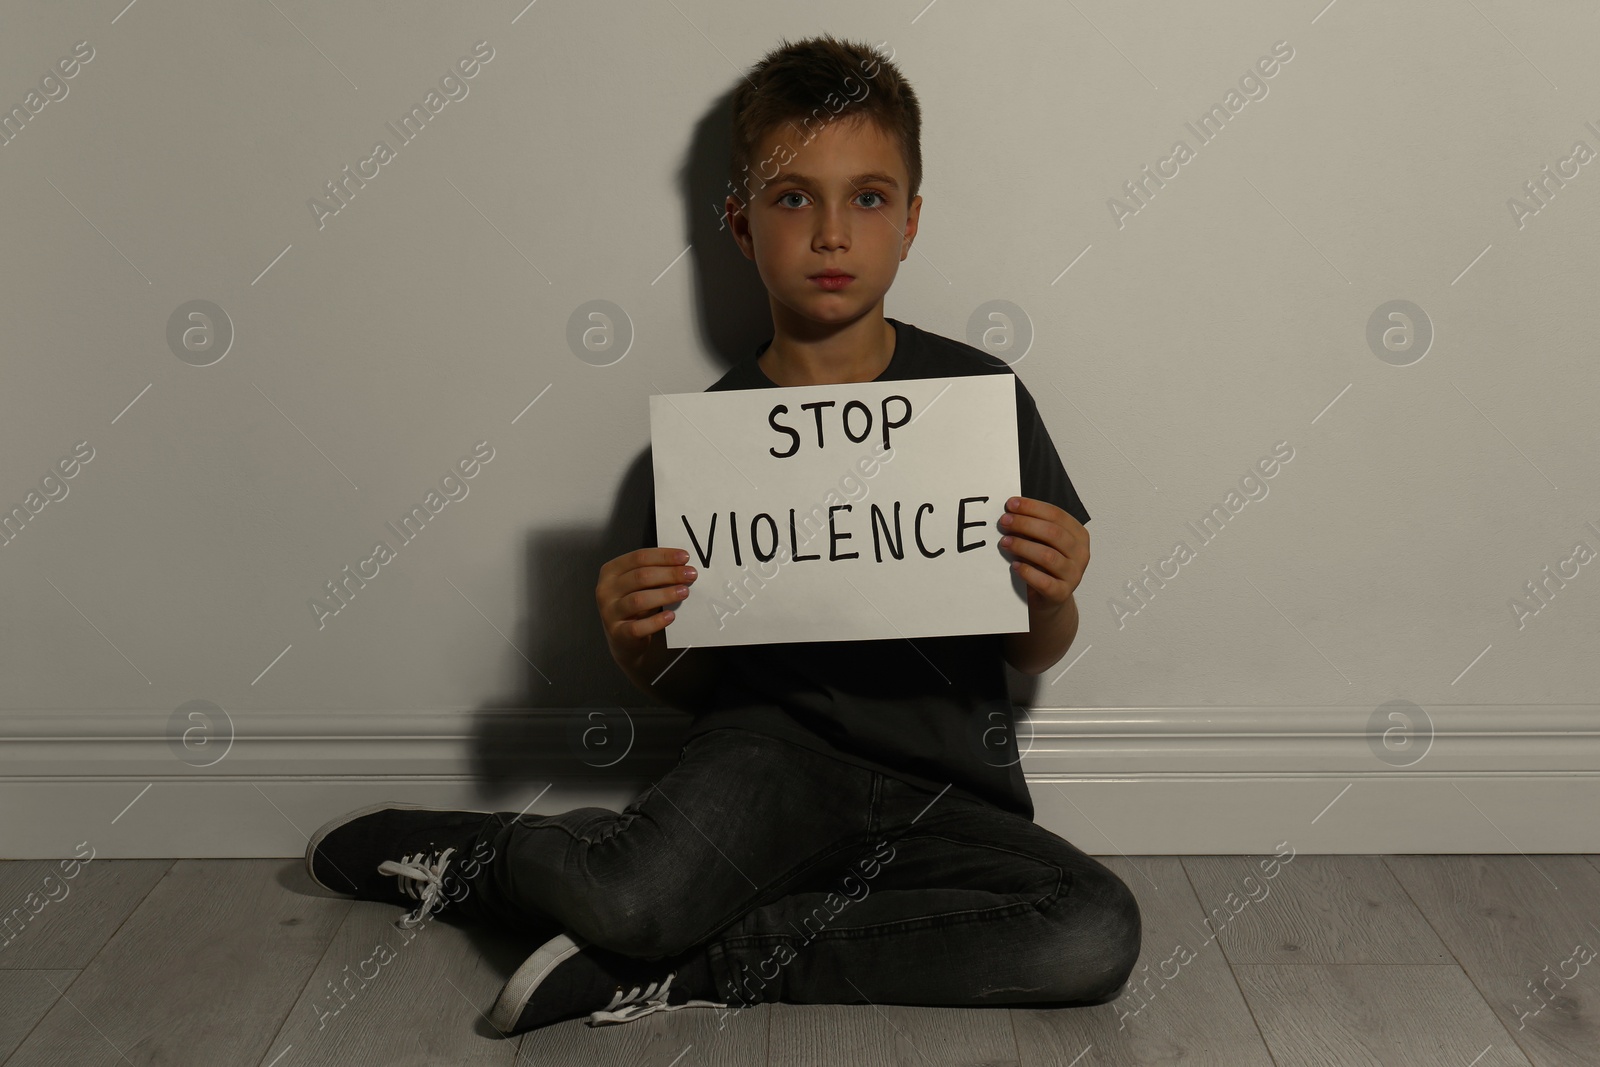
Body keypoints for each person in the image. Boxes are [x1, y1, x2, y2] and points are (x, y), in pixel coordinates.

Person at [304, 32, 1140, 1036]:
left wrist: (1053, 595)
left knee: (1091, 928)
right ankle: (487, 858)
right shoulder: (715, 442)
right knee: (629, 896)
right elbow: (690, 682)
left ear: (910, 223)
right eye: (794, 199)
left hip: (945, 783)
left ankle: (704, 960)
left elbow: (1032, 646)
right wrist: (633, 645)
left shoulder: (981, 402)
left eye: (867, 198)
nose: (832, 233)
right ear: (742, 227)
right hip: (763, 764)